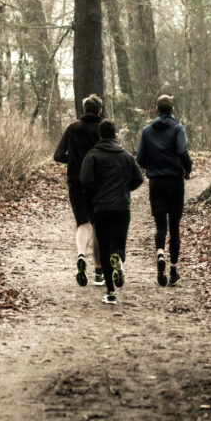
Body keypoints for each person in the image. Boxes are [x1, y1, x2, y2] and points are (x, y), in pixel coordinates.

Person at [79, 119, 144, 304]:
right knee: (119, 245)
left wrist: (95, 193)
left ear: (99, 135)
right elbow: (139, 178)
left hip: (101, 208)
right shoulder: (126, 156)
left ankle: (111, 292)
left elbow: (85, 180)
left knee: (105, 249)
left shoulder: (92, 155)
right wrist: (124, 189)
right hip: (122, 207)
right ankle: (119, 260)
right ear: (115, 134)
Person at [136, 94, 192, 287]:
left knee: (161, 226)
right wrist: (188, 169)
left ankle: (160, 253)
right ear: (173, 110)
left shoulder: (147, 131)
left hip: (156, 183)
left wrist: (152, 164)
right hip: (175, 182)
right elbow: (182, 151)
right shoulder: (178, 129)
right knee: (174, 227)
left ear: (157, 110)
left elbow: (140, 159)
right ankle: (174, 270)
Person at [53, 94, 105, 286]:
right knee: (98, 225)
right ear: (100, 110)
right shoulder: (103, 129)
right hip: (98, 183)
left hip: (75, 181)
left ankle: (81, 256)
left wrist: (74, 162)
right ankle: (99, 271)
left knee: (83, 224)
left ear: (84, 110)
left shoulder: (72, 128)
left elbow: (58, 155)